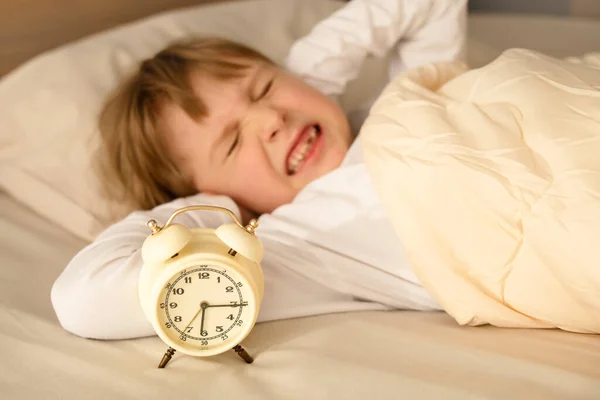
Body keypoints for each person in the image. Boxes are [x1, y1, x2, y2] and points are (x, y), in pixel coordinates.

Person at [51, 0, 467, 340]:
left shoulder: (399, 105)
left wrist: (308, 75)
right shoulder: (295, 246)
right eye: (232, 143)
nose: (271, 120)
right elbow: (83, 299)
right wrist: (212, 210)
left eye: (264, 88)